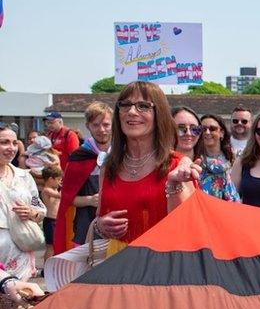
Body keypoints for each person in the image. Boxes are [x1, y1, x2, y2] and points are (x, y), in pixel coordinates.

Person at [94, 81, 200, 251]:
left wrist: (174, 185)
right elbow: (99, 216)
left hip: (160, 268)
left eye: (143, 106)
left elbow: (188, 226)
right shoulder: (108, 167)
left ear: (159, 114)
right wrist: (99, 225)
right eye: (125, 105)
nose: (131, 112)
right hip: (114, 267)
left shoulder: (177, 166)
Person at [53, 101, 112, 254]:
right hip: (85, 229)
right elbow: (67, 198)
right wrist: (90, 200)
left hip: (117, 228)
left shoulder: (124, 154)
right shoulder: (79, 157)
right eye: (95, 125)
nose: (102, 130)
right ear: (88, 126)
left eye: (106, 124)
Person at [0, 126, 46, 288]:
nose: (11, 148)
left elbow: (39, 209)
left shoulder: (24, 177)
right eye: (4, 142)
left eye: (14, 143)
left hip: (20, 254)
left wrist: (31, 212)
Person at [195, 115, 240, 202]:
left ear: (221, 133)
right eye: (203, 129)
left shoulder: (235, 158)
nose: (207, 132)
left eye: (212, 129)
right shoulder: (194, 159)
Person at [39, 165, 62, 265]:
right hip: (50, 220)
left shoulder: (55, 188)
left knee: (56, 245)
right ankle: (46, 267)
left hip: (56, 220)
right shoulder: (47, 190)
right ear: (50, 179)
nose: (59, 182)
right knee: (50, 246)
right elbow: (59, 195)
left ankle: (53, 265)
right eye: (58, 179)